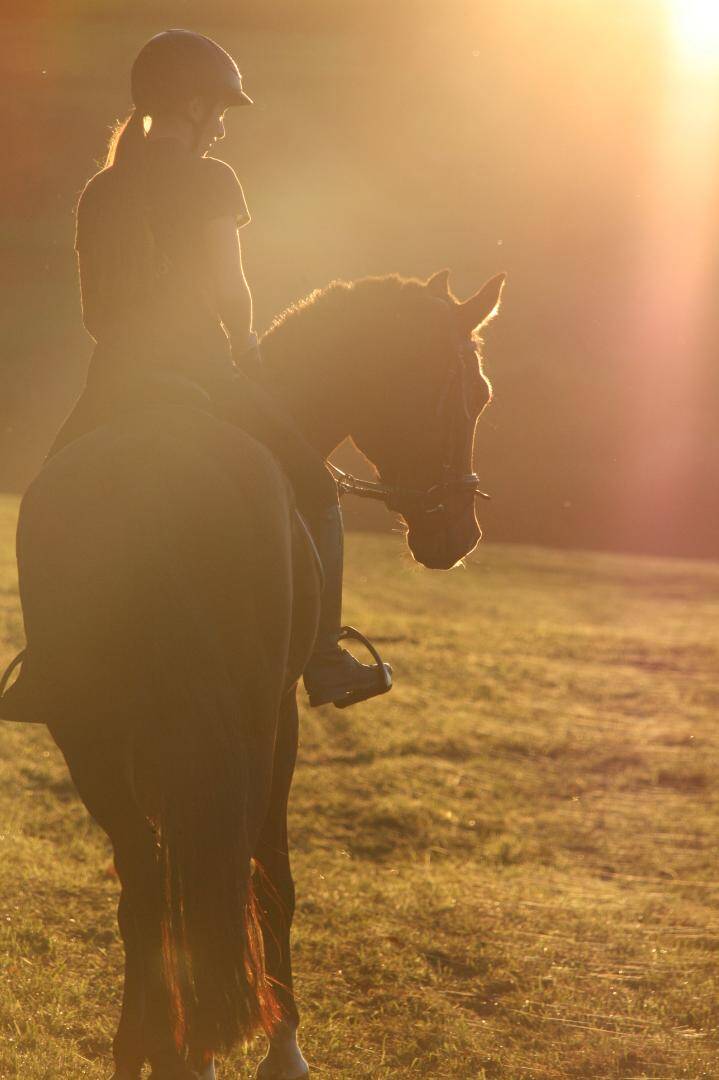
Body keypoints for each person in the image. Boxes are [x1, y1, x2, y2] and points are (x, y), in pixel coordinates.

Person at [48, 28, 391, 709]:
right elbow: (231, 290)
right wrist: (246, 347)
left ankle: (50, 664)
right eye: (221, 112)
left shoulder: (101, 190)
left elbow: (94, 310)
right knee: (316, 489)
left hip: (113, 378)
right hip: (204, 371)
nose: (223, 129)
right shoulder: (212, 179)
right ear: (195, 105)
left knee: (52, 498)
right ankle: (324, 659)